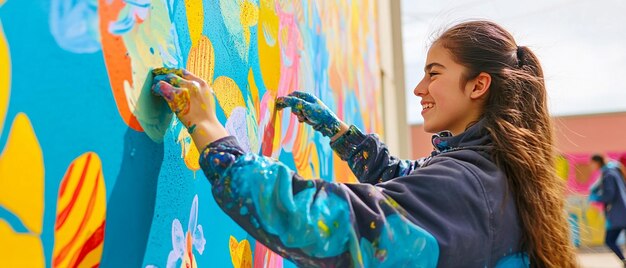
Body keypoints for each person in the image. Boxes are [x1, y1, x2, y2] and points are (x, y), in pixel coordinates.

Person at [151, 20, 577, 267]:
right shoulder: (492, 173)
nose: (418, 88)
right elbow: (411, 188)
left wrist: (211, 132)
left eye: (434, 73)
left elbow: (328, 222)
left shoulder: (469, 186)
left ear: (478, 85)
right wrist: (343, 136)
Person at [589, 154, 626, 266]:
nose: (591, 166)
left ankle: (624, 261)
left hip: (619, 214)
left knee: (609, 240)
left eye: (592, 163)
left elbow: (610, 195)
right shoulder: (612, 171)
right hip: (621, 212)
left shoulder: (608, 174)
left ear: (597, 162)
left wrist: (596, 198)